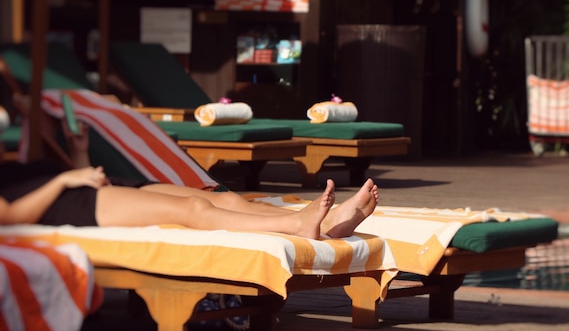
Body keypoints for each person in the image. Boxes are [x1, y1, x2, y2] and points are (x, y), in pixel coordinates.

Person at [0, 120, 379, 240]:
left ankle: (329, 223)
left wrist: (78, 153)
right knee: (193, 209)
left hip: (92, 187)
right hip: (70, 205)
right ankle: (298, 224)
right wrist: (64, 180)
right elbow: (11, 216)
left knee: (222, 198)